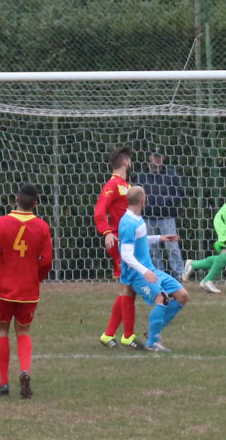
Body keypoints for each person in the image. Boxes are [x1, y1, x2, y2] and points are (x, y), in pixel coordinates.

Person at [0, 183, 53, 399]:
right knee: (23, 331)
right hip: (28, 288)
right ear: (35, 204)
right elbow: (47, 260)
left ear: (16, 199)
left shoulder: (1, 223)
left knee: (2, 330)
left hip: (3, 288)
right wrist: (36, 277)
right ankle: (25, 370)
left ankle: (3, 383)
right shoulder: (42, 227)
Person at [118, 186, 189, 351]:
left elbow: (139, 240)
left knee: (182, 296)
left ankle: (152, 331)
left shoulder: (136, 218)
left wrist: (159, 238)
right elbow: (126, 255)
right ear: (143, 200)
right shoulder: (128, 223)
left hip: (149, 269)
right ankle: (152, 342)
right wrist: (145, 272)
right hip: (137, 274)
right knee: (162, 298)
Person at [94, 147, 143, 350]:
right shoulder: (112, 185)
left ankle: (110, 335)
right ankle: (127, 336)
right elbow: (99, 211)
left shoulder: (126, 185)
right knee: (128, 289)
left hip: (131, 241)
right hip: (120, 242)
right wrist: (107, 232)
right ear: (126, 162)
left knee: (128, 290)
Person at [134, 152, 186, 278]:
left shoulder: (171, 174)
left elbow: (181, 192)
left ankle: (180, 274)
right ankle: (158, 274)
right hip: (148, 217)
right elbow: (135, 194)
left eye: (160, 157)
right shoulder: (142, 176)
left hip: (167, 216)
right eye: (155, 157)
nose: (158, 159)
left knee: (172, 246)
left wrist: (167, 201)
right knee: (151, 248)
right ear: (149, 158)